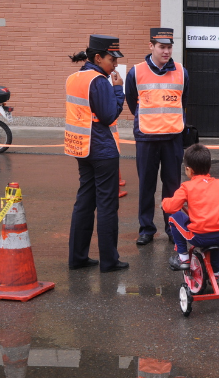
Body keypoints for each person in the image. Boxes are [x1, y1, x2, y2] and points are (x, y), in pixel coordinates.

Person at [65, 34, 129, 273]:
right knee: (107, 206)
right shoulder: (100, 81)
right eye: (112, 59)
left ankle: (78, 257)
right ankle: (109, 261)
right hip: (102, 150)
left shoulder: (74, 78)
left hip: (81, 147)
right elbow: (109, 115)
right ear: (98, 57)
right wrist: (119, 90)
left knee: (84, 202)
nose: (115, 64)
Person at [125, 28, 189, 246]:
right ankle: (146, 229)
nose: (166, 51)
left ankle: (172, 227)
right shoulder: (136, 72)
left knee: (172, 187)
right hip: (146, 137)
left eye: (169, 47)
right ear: (151, 46)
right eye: (162, 47)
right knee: (147, 186)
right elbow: (133, 102)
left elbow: (183, 101)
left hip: (173, 138)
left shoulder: (181, 71)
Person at [163, 144, 219, 275]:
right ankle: (215, 273)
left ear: (188, 170)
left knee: (174, 217)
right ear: (209, 167)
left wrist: (165, 202)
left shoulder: (187, 187)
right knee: (216, 226)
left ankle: (183, 257)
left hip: (199, 237)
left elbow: (170, 207)